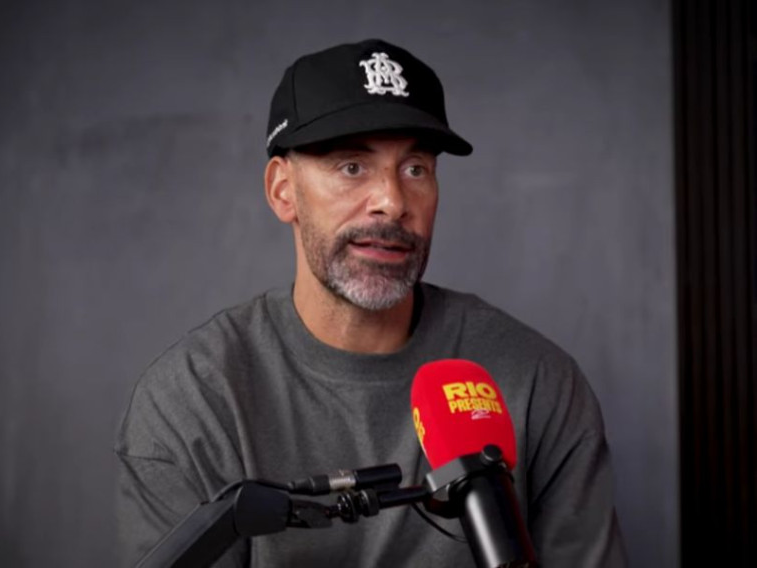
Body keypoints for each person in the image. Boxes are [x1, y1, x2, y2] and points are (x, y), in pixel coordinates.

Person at [115, 39, 627, 567]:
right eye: (352, 167)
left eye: (415, 169)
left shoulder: (536, 382)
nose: (393, 201)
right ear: (283, 190)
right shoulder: (192, 403)